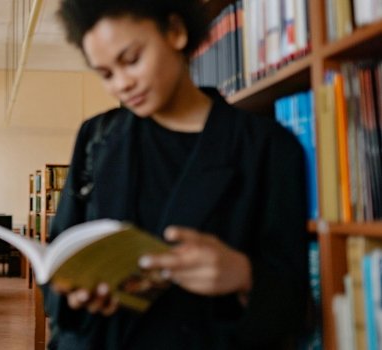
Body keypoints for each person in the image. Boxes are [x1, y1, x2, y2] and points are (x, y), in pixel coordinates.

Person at [44, 0, 309, 348]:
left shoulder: (270, 147)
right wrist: (74, 296)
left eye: (131, 59)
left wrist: (244, 276)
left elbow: (294, 304)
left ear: (176, 31)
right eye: (106, 74)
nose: (121, 84)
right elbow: (56, 266)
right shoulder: (97, 138)